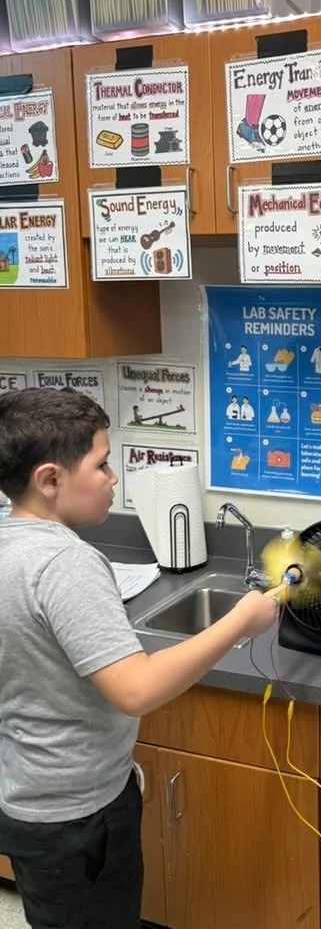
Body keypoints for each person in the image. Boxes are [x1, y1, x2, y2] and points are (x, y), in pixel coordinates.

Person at [0, 388, 277, 929]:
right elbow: (137, 689)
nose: (113, 478)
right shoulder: (65, 564)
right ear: (50, 480)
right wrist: (239, 622)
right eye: (102, 465)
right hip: (78, 816)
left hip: (28, 797)